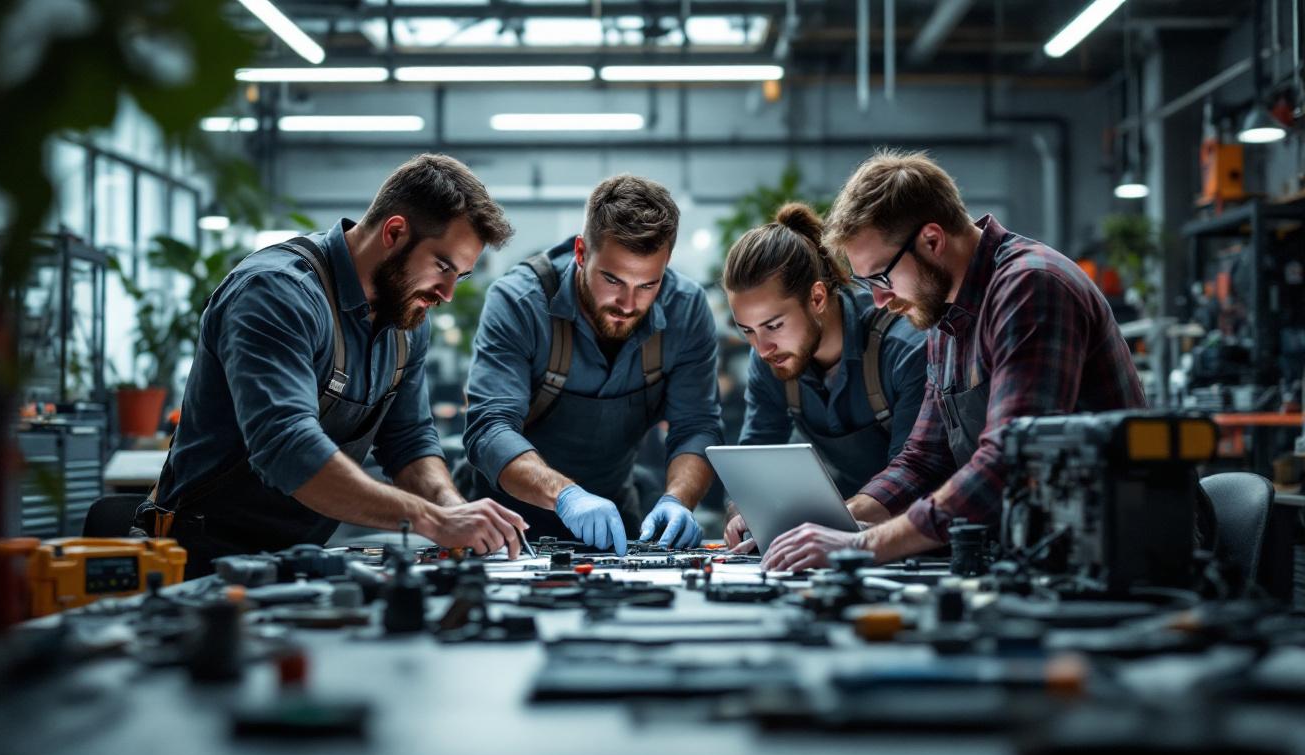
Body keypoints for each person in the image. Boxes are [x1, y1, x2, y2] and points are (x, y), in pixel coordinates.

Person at [137, 154, 528, 579]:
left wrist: (454, 510)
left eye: (462, 276)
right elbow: (287, 447)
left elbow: (409, 442)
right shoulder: (276, 293)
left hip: (295, 562)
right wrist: (431, 520)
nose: (448, 293)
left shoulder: (406, 321)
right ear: (394, 232)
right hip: (197, 561)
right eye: (442, 266)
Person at [762, 149, 1148, 571]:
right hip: (1047, 552)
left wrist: (861, 546)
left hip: (1123, 554)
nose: (877, 300)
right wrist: (835, 523)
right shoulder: (945, 318)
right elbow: (923, 460)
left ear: (932, 240)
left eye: (881, 277)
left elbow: (1009, 463)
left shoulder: (1030, 288)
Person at [458, 175, 724, 554]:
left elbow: (697, 425)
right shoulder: (520, 302)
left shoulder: (686, 309)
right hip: (505, 529)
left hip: (616, 523)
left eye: (648, 284)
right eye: (613, 279)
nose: (629, 303)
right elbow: (489, 428)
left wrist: (678, 500)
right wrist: (567, 496)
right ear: (582, 253)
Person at [720, 203, 926, 553]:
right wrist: (748, 511)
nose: (763, 347)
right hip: (837, 540)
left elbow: (913, 476)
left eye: (773, 325)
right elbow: (755, 456)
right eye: (747, 331)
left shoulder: (903, 349)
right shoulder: (770, 359)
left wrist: (826, 526)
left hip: (914, 538)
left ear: (816, 297)